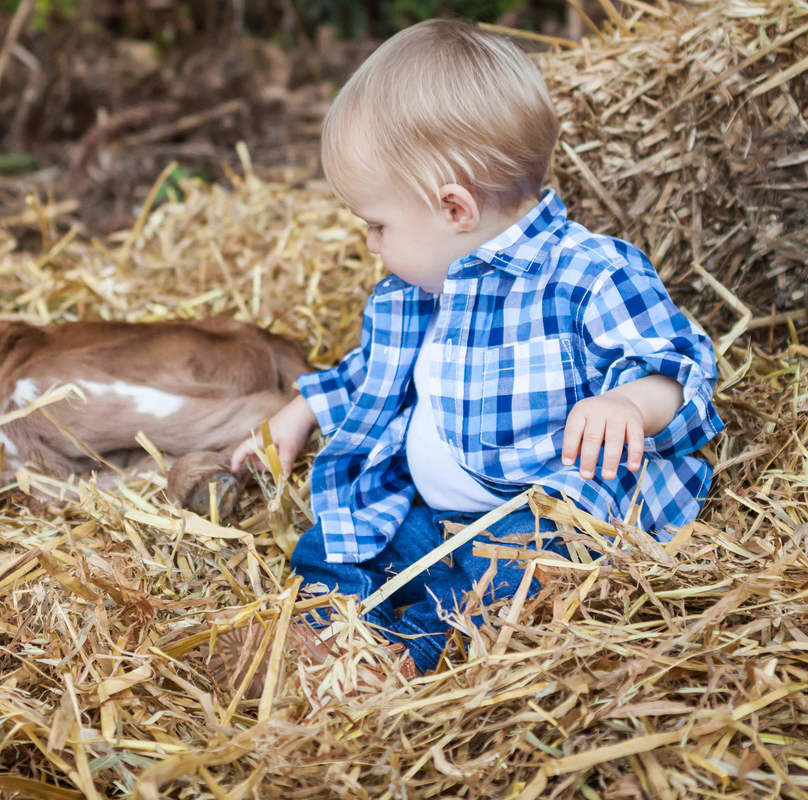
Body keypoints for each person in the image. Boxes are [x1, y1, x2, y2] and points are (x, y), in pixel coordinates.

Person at [229, 18, 723, 675]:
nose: (370, 244)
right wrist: (301, 412)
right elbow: (374, 374)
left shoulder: (589, 272)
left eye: (376, 224)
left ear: (455, 210)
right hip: (432, 513)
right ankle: (332, 633)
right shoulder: (416, 290)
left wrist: (630, 404)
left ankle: (416, 655)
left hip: (539, 513)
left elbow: (674, 361)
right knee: (342, 541)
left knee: (524, 571)